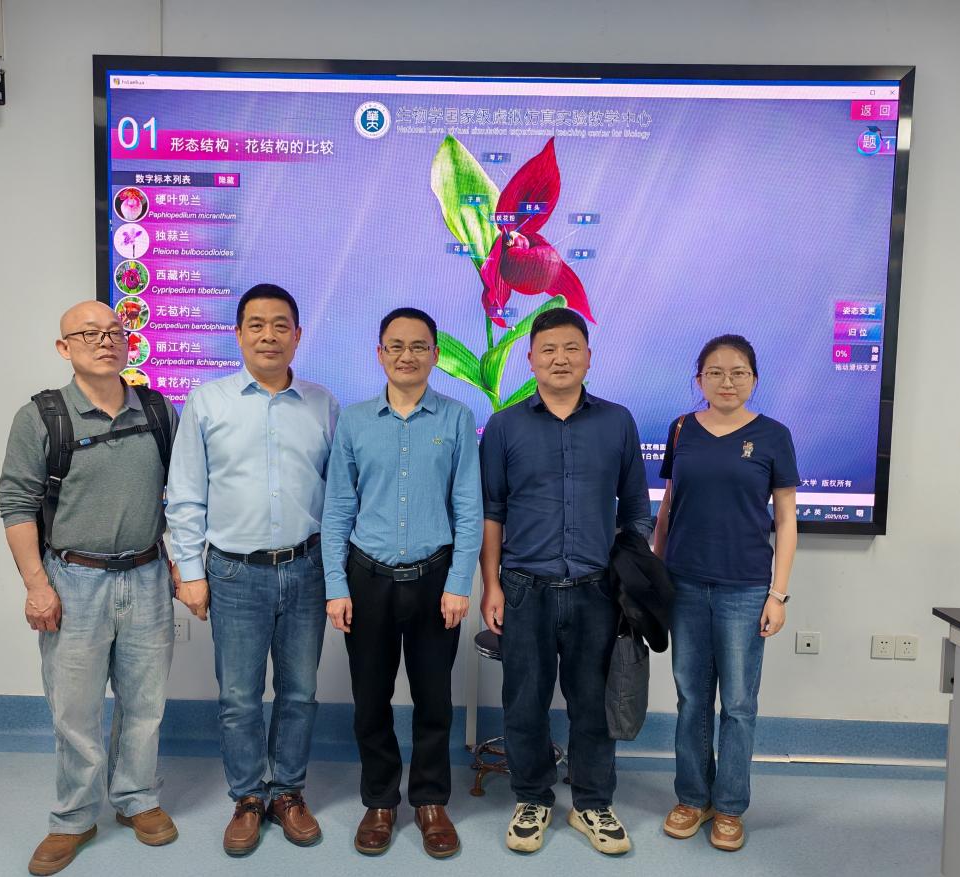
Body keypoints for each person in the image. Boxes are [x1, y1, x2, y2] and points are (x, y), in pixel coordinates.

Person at [0, 301, 180, 876]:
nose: (105, 341)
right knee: (74, 712)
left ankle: (137, 799)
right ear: (64, 348)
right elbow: (16, 504)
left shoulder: (158, 411)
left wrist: (181, 564)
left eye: (114, 332)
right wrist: (36, 585)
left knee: (145, 704)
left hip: (148, 577)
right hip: (73, 581)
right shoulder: (42, 417)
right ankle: (73, 818)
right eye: (89, 333)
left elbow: (182, 496)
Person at [165, 283, 339, 856]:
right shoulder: (207, 402)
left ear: (297, 335)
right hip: (234, 574)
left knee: (300, 692)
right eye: (256, 325)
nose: (269, 336)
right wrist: (190, 572)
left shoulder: (323, 404)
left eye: (280, 325)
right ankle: (246, 797)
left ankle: (288, 792)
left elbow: (339, 496)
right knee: (239, 696)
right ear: (238, 334)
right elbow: (185, 493)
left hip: (307, 568)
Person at [479, 307, 651, 856]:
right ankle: (532, 797)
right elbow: (492, 512)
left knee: (593, 704)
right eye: (548, 349)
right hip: (523, 588)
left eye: (571, 348)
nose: (560, 358)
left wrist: (630, 577)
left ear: (588, 357)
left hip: (596, 591)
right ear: (530, 359)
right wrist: (491, 585)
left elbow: (637, 508)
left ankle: (592, 803)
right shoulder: (504, 426)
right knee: (524, 703)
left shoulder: (617, 422)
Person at [322, 307, 482, 858]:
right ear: (380, 354)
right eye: (396, 345)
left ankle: (431, 800)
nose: (407, 355)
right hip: (367, 578)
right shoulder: (355, 421)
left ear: (435, 354)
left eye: (418, 346)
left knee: (435, 698)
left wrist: (459, 583)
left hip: (436, 580)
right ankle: (380, 801)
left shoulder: (457, 418)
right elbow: (338, 508)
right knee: (371, 697)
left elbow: (468, 508)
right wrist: (335, 586)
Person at [652, 333, 798, 852]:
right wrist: (656, 573)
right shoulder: (681, 429)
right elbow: (669, 505)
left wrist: (778, 594)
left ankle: (730, 805)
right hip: (685, 583)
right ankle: (693, 798)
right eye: (715, 372)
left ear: (754, 379)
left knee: (737, 703)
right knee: (692, 698)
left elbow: (786, 519)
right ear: (699, 379)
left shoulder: (773, 435)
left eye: (738, 372)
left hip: (745, 587)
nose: (727, 381)